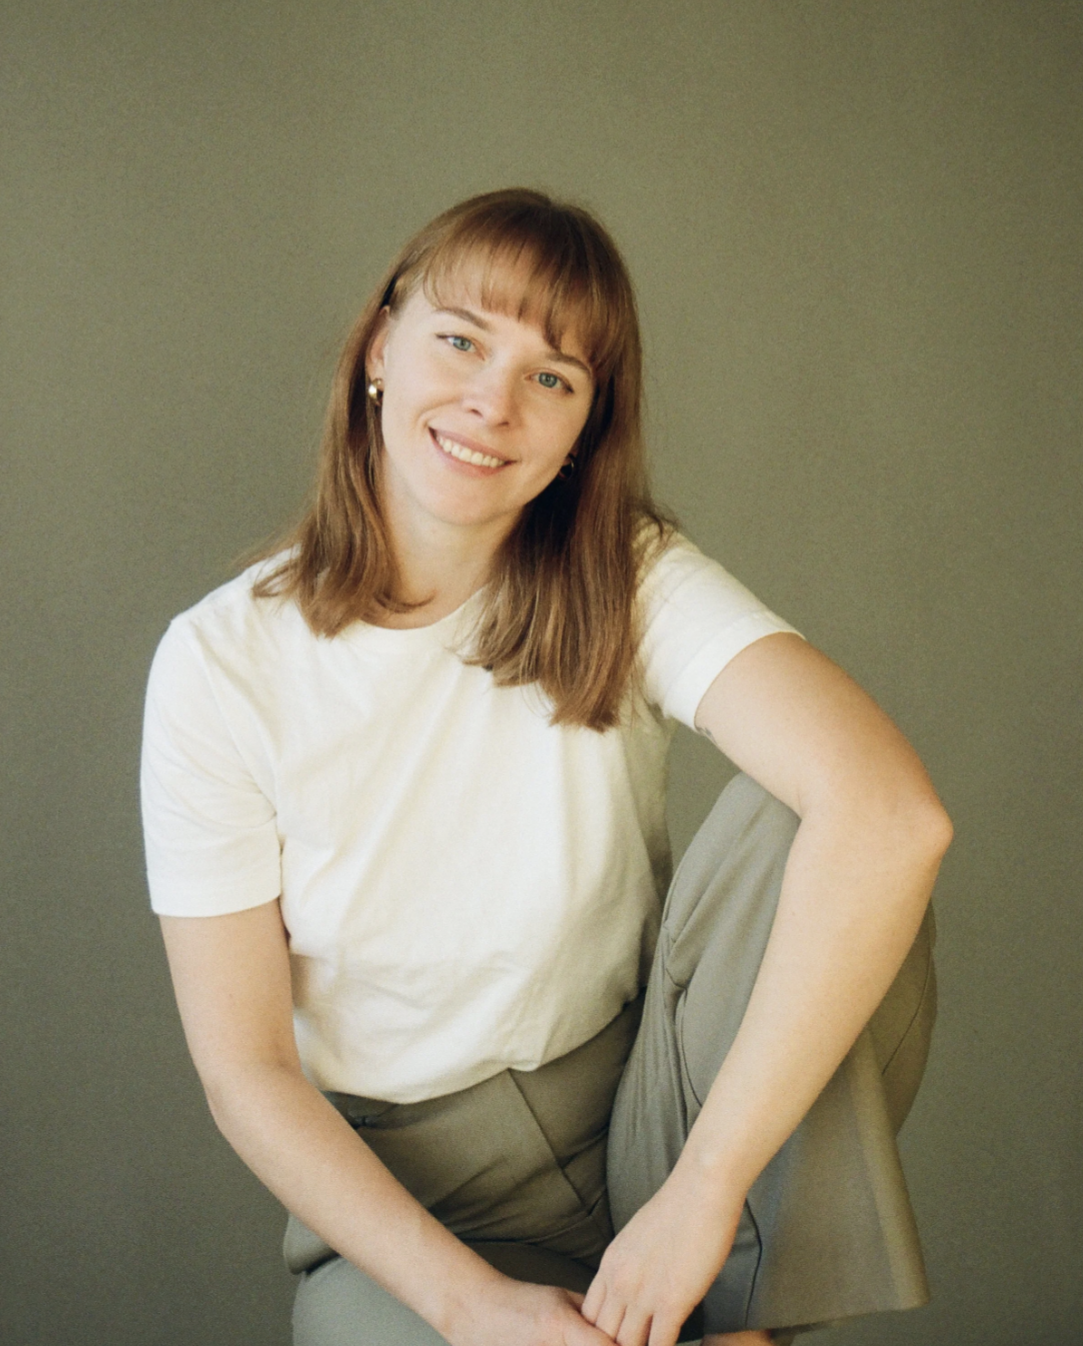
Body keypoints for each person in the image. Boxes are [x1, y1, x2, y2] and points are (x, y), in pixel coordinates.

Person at [141, 188, 952, 1346]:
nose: (493, 401)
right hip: (423, 1199)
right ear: (380, 345)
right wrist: (471, 1304)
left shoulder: (625, 572)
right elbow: (248, 1070)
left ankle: (729, 1299)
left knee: (809, 814)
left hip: (652, 1110)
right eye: (461, 339)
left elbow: (892, 813)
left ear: (585, 429)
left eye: (553, 377)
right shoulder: (219, 664)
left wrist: (706, 1185)